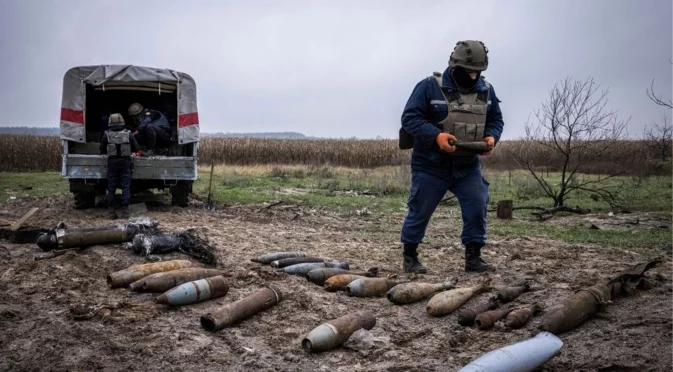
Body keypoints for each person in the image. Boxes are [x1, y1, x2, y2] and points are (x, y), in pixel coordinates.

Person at [398, 40, 505, 274]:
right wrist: (436, 136)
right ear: (455, 66)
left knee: (478, 204)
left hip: (467, 166)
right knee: (420, 209)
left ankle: (474, 257)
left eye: (478, 72)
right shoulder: (429, 86)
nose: (474, 77)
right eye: (469, 72)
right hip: (430, 165)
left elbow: (496, 120)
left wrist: (491, 138)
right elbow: (410, 119)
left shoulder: (486, 90)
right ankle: (410, 257)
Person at [100, 113, 140, 219]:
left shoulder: (106, 134)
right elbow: (136, 148)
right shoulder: (128, 134)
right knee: (125, 187)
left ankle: (111, 213)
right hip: (125, 164)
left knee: (111, 188)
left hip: (112, 165)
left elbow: (102, 150)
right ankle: (125, 212)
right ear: (122, 121)